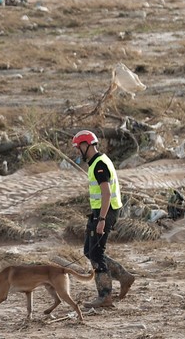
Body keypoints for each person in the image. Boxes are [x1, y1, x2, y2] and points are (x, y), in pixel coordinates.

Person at [72, 129, 135, 308]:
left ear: (86, 145)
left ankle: (105, 296)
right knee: (89, 251)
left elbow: (106, 193)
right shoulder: (97, 162)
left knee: (96, 254)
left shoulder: (99, 164)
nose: (78, 151)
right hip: (102, 212)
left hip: (105, 213)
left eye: (78, 147)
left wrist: (101, 219)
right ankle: (123, 277)